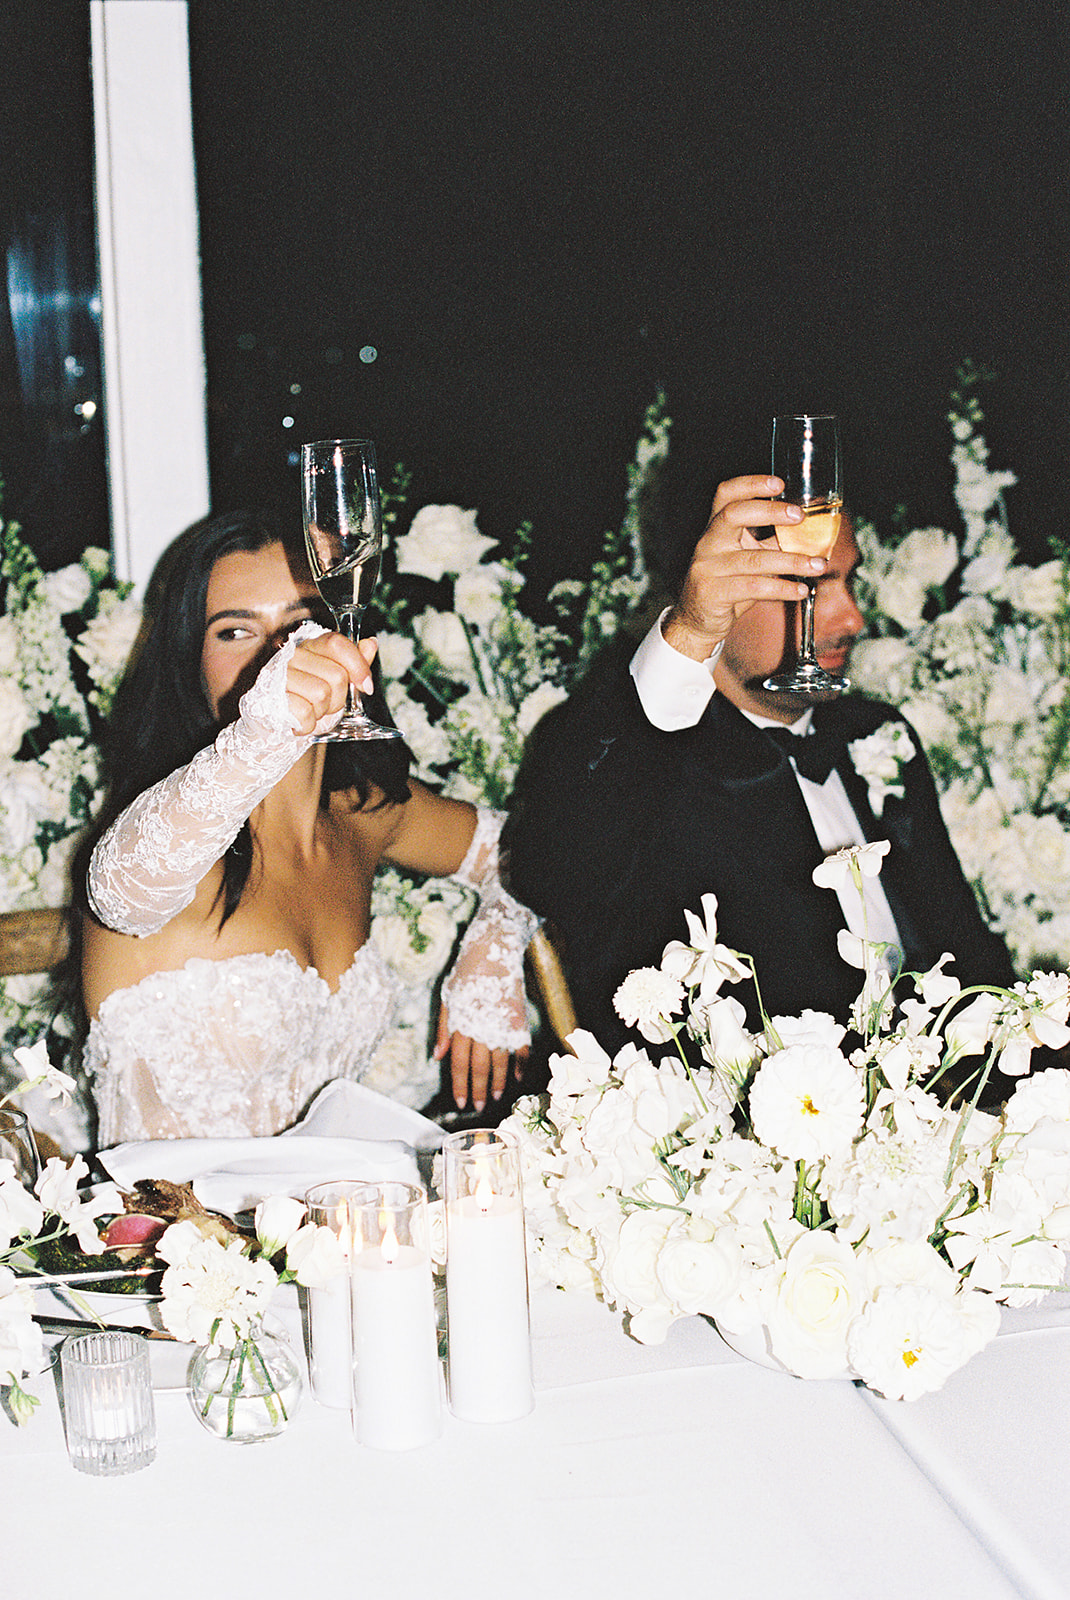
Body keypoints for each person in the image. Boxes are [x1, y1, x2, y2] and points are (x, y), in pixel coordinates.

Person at [507, 473, 1016, 1058]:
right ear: (720, 589)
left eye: (848, 581)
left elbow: (968, 950)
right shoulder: (639, 755)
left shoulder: (876, 734)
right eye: (812, 588)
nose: (851, 619)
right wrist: (691, 633)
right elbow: (550, 871)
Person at [74, 509, 539, 1146]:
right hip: (161, 1240)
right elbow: (122, 890)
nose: (280, 655)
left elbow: (524, 850)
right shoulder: (167, 834)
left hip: (337, 1230)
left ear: (348, 643)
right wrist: (266, 729)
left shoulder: (361, 813)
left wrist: (496, 942)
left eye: (300, 627)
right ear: (190, 663)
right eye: (236, 632)